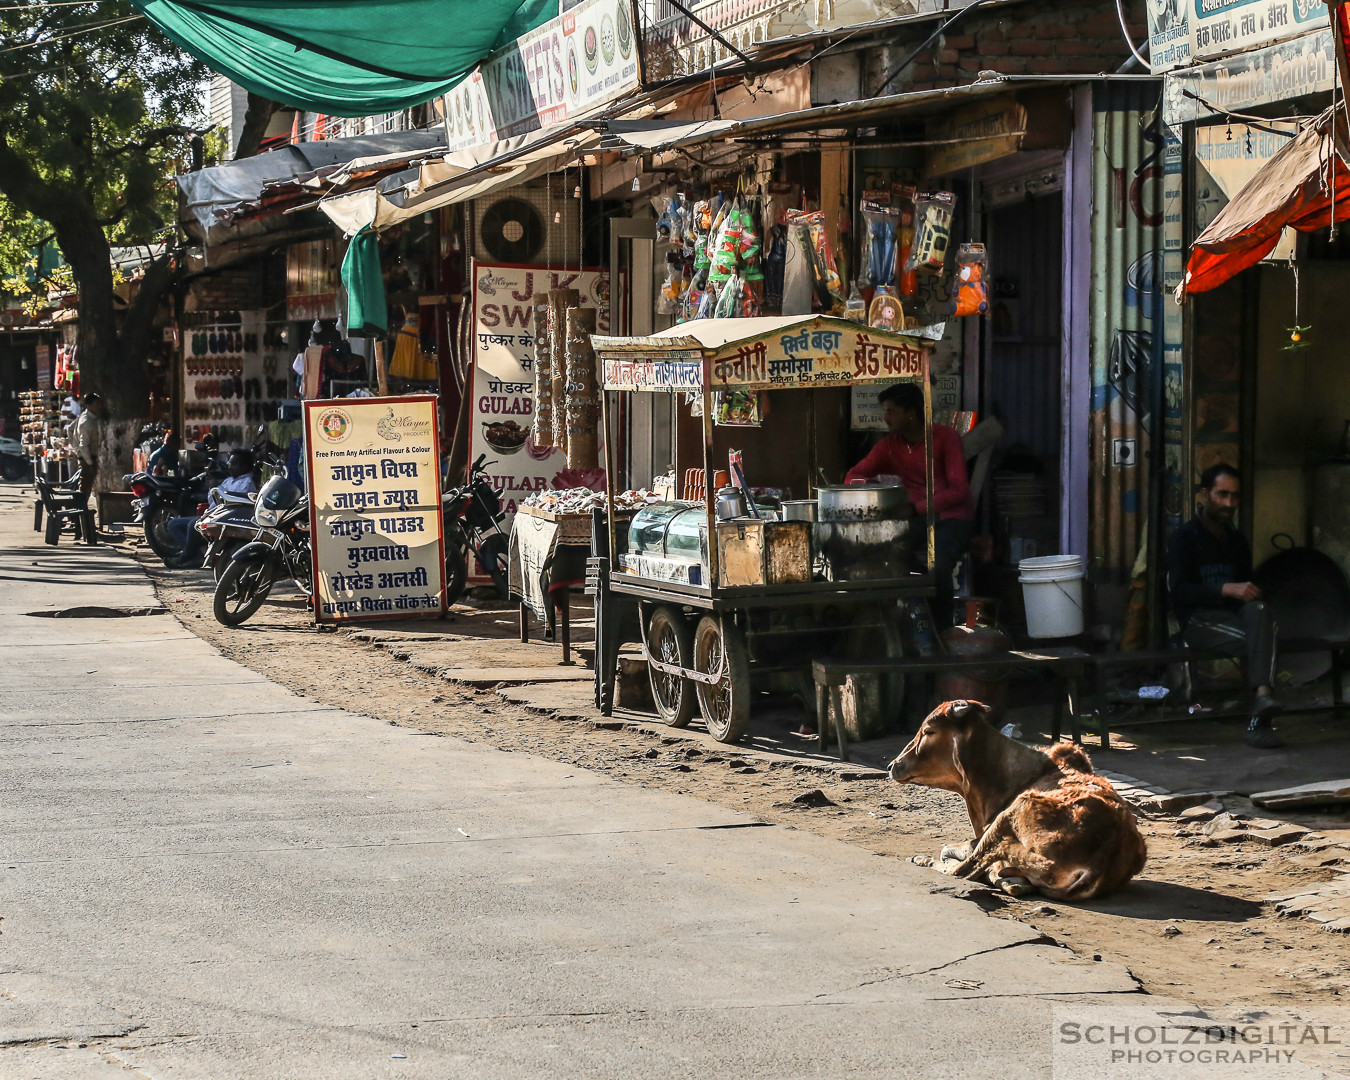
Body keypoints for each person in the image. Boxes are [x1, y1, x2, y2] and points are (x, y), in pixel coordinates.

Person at [1167, 463, 1282, 749]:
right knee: (1264, 643)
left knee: (1262, 613)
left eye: (1234, 496)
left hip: (1232, 619)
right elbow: (1180, 591)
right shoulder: (1184, 538)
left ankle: (1262, 696)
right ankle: (1258, 719)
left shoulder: (1237, 540)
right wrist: (1226, 588)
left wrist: (1251, 593)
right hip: (1198, 622)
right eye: (1222, 495)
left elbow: (1247, 589)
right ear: (1205, 494)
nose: (1229, 503)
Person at [845, 382, 974, 628]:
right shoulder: (890, 445)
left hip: (951, 518)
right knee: (879, 550)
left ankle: (943, 630)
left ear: (911, 413)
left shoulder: (946, 438)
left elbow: (959, 491)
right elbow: (853, 475)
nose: (886, 418)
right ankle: (897, 624)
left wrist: (916, 508)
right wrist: (872, 488)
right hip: (916, 519)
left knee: (939, 566)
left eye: (892, 411)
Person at [165, 448, 257, 568]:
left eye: (233, 463)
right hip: (212, 515)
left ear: (244, 467)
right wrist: (212, 488)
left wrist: (217, 489)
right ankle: (196, 556)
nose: (229, 466)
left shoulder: (247, 483)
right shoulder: (229, 480)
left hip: (224, 520)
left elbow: (233, 503)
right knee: (173, 524)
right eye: (230, 462)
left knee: (193, 525)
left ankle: (185, 558)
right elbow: (213, 500)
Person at [67, 393, 106, 500]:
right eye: (95, 404)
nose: (98, 407)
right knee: (85, 487)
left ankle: (80, 509)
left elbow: (70, 429)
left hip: (88, 456)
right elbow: (84, 445)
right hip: (88, 458)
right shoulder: (87, 422)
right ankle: (79, 510)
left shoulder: (86, 416)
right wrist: (88, 461)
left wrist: (75, 446)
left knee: (87, 486)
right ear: (89, 406)